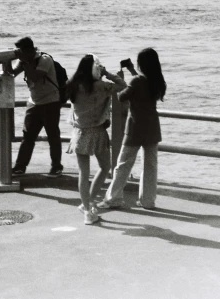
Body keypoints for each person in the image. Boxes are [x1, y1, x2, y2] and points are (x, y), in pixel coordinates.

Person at [98, 47, 167, 210]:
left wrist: (120, 79)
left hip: (136, 128)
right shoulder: (157, 81)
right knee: (150, 166)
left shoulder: (137, 82)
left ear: (141, 64)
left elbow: (122, 96)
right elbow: (141, 85)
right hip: (152, 128)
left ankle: (113, 198)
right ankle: (148, 201)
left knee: (123, 165)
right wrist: (131, 70)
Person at [66, 54, 127, 225]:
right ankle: (89, 205)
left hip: (78, 132)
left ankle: (87, 206)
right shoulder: (101, 86)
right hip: (97, 131)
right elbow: (122, 85)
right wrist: (107, 73)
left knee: (83, 173)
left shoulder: (73, 85)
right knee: (105, 167)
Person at [2, 36, 63, 176]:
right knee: (27, 137)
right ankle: (19, 167)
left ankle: (56, 167)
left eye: (20, 51)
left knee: (53, 136)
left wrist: (24, 61)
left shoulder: (45, 59)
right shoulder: (24, 59)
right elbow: (11, 73)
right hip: (34, 102)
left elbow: (35, 77)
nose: (19, 54)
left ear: (29, 50)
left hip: (50, 102)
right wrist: (7, 59)